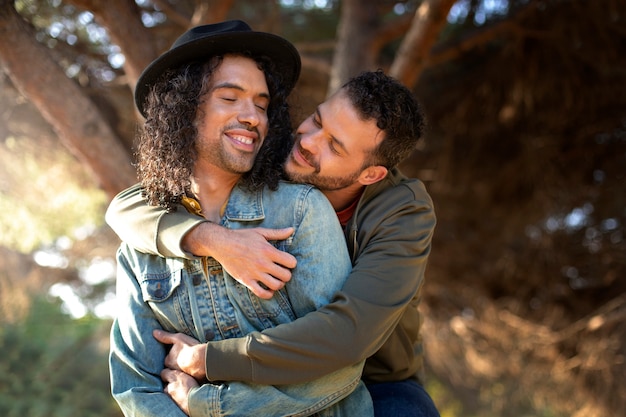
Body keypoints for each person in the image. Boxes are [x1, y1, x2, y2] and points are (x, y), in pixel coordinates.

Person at [108, 64, 439, 416]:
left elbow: (348, 337)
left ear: (371, 174)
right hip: (261, 378)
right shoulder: (278, 152)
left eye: (335, 146)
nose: (308, 141)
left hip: (372, 375)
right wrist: (213, 240)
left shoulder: (403, 212)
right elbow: (126, 208)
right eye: (317, 120)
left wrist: (206, 362)